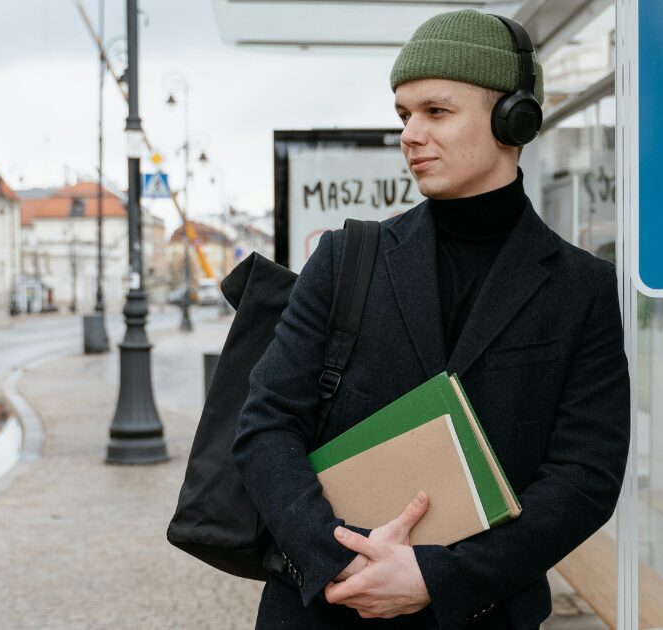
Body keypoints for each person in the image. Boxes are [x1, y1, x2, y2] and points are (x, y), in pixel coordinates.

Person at [232, 9, 630, 629]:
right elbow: (265, 424)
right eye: (403, 114)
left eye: (435, 111)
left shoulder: (581, 287)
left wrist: (436, 578)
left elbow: (586, 476)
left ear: (513, 119)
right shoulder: (343, 258)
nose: (410, 134)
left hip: (484, 611)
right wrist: (345, 560)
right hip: (326, 609)